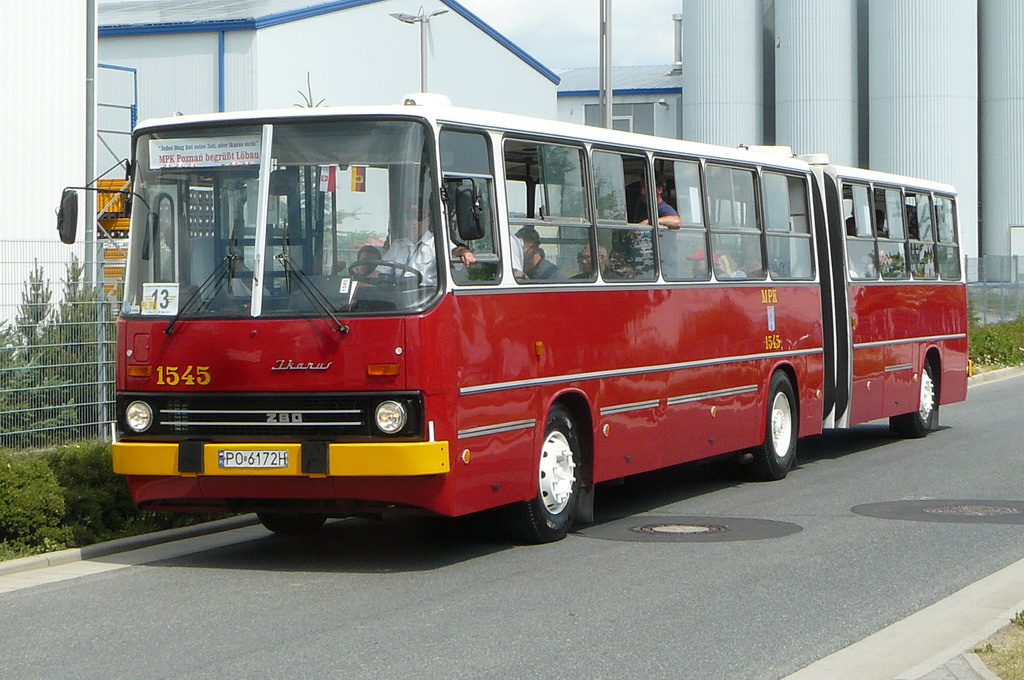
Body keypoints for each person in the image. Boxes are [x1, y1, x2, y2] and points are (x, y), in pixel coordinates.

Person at [382, 202, 475, 286]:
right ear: (405, 220)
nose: (414, 222)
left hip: (429, 296)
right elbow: (380, 271)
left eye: (419, 217)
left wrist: (465, 252)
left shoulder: (437, 243)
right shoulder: (397, 246)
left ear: (428, 219)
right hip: (400, 296)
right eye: (410, 217)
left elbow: (455, 251)